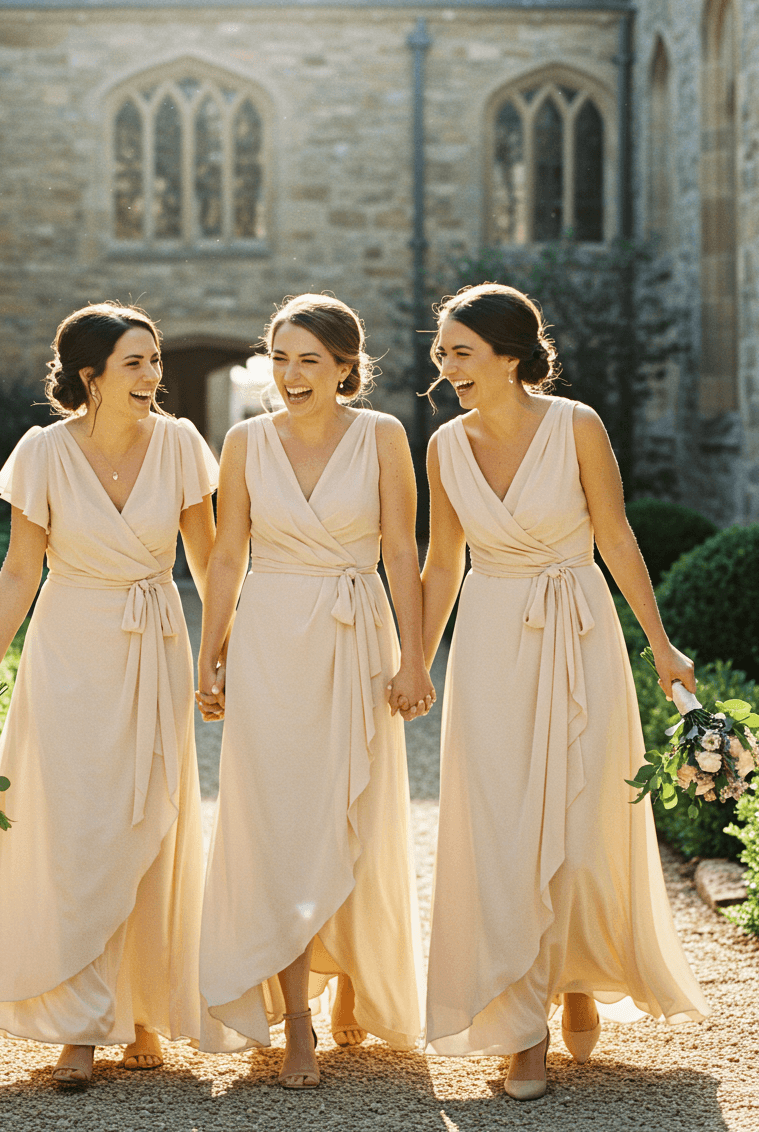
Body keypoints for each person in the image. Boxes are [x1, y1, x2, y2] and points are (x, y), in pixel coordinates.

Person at [0, 302, 218, 1086]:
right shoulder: (43, 452)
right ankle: (80, 1025)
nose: (153, 376)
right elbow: (21, 569)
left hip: (157, 643)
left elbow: (210, 560)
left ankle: (143, 1007)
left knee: (151, 812)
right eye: (135, 364)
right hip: (70, 648)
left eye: (155, 362)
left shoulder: (182, 445)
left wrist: (222, 653)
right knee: (78, 824)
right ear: (92, 377)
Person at [421, 284, 708, 1100]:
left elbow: (615, 534)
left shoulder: (576, 427)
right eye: (441, 352)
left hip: (581, 631)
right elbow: (442, 563)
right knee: (504, 823)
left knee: (584, 817)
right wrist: (415, 659)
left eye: (461, 351)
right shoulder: (443, 446)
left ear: (510, 358)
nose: (446, 366)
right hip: (491, 638)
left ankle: (576, 975)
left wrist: (661, 645)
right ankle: (521, 1029)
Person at [195, 294, 431, 1089]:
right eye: (282, 358)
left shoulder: (385, 436)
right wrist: (210, 652)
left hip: (359, 633)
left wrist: (417, 658)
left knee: (355, 810)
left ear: (344, 369)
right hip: (270, 640)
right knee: (280, 822)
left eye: (310, 361)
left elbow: (402, 549)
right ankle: (294, 1016)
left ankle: (356, 977)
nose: (292, 375)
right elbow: (227, 555)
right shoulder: (244, 441)